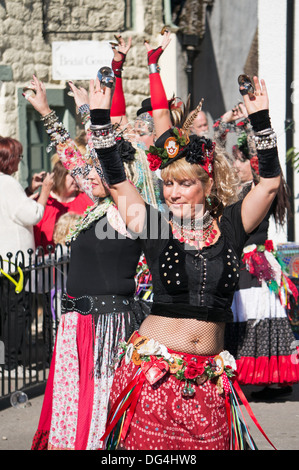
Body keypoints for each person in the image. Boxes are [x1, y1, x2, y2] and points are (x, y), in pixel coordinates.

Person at [88, 33, 281, 450]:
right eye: (168, 184)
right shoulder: (156, 228)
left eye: (184, 184)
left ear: (206, 184)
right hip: (155, 377)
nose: (173, 193)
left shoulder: (230, 226)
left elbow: (268, 184)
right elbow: (118, 182)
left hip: (211, 382)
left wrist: (262, 121)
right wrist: (101, 122)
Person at [25, 72, 161, 450]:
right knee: (73, 403)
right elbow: (73, 158)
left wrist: (91, 113)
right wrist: (46, 111)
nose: (89, 173)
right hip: (75, 323)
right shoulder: (100, 206)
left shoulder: (127, 212)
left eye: (100, 168)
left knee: (98, 403)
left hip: (106, 326)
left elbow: (103, 159)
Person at [224, 131, 299, 400]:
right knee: (250, 316)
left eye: (239, 161)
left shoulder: (257, 192)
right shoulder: (245, 191)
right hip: (251, 262)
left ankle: (268, 379)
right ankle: (267, 379)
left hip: (252, 262)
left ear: (252, 164)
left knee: (251, 316)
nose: (235, 166)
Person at [0, 136, 53, 378]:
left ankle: (5, 362)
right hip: (15, 262)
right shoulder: (7, 184)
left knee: (5, 310)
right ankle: (11, 365)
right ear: (9, 160)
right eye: (18, 157)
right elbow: (31, 215)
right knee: (16, 311)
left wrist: (30, 191)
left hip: (5, 259)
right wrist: (45, 193)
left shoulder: (7, 186)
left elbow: (12, 210)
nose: (20, 161)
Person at [34, 160, 93, 253]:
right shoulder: (45, 202)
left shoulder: (86, 200)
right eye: (73, 175)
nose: (77, 178)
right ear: (61, 177)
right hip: (49, 262)